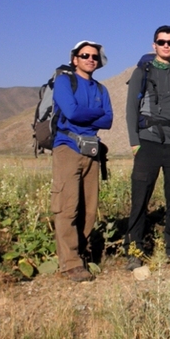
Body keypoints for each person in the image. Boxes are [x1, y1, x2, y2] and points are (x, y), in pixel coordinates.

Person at [124, 26, 170, 269]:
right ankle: (134, 249)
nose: (166, 45)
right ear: (154, 45)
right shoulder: (140, 73)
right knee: (140, 198)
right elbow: (131, 108)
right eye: (161, 41)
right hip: (148, 143)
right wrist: (135, 143)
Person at [51, 40, 113, 282]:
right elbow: (72, 112)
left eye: (94, 57)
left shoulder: (101, 89)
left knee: (89, 207)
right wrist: (95, 115)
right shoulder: (64, 82)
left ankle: (81, 254)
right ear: (74, 59)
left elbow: (108, 120)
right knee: (67, 206)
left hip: (92, 151)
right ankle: (70, 263)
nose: (90, 59)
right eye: (84, 55)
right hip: (67, 148)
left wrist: (88, 115)